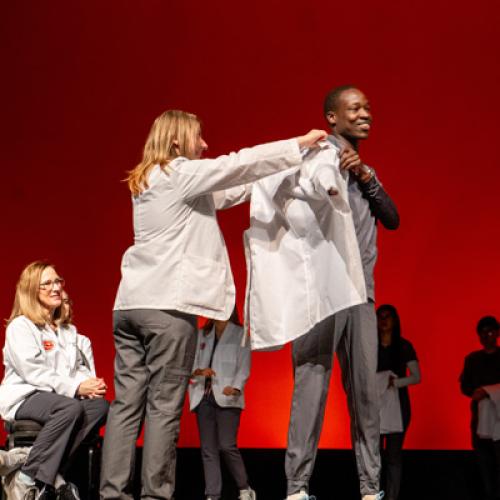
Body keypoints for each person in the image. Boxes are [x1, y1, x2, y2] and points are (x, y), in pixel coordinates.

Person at [99, 108, 327, 500]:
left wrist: (279, 172)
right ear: (176, 142)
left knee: (125, 407)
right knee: (164, 406)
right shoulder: (180, 172)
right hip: (166, 307)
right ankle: (155, 495)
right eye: (198, 138)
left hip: (130, 304)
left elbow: (230, 188)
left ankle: (112, 494)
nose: (204, 145)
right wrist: (297, 145)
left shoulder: (150, 180)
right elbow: (236, 164)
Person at [284, 86, 400, 500]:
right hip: (320, 294)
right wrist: (331, 167)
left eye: (368, 107)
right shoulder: (315, 157)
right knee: (310, 389)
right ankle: (296, 488)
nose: (366, 113)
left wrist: (365, 176)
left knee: (366, 395)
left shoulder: (365, 170)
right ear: (332, 117)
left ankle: (371, 489)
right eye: (356, 108)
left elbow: (392, 218)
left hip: (361, 295)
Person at [0, 261, 109, 500]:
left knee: (100, 406)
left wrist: (89, 385)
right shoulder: (21, 326)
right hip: (25, 397)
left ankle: (33, 462)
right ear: (31, 291)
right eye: (46, 283)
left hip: (58, 398)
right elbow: (34, 372)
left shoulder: (67, 332)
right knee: (69, 407)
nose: (56, 287)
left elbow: (75, 369)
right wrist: (76, 387)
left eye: (58, 281)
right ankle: (26, 478)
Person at [189, 309, 254, 500]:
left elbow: (244, 366)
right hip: (203, 396)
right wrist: (199, 372)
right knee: (208, 449)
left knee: (227, 445)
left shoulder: (240, 334)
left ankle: (244, 489)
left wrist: (236, 387)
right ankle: (212, 494)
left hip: (228, 397)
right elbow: (191, 365)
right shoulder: (202, 333)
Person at [376, 304, 421, 500]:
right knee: (373, 456)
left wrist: (396, 382)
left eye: (388, 316)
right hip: (375, 406)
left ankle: (392, 497)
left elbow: (416, 377)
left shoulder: (404, 346)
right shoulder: (370, 345)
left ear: (395, 320)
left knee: (393, 456)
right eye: (381, 316)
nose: (384, 320)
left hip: (398, 407)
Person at [460, 316, 500, 500]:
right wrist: (476, 392)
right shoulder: (472, 359)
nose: (487, 335)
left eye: (490, 331)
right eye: (483, 332)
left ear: (497, 333)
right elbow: (465, 386)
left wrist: (488, 391)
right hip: (479, 419)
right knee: (484, 466)